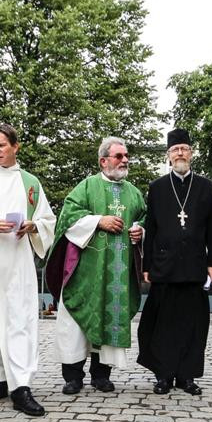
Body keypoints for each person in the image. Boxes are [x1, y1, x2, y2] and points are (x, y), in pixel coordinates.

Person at [0, 124, 57, 416]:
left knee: (18, 321)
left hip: (18, 259)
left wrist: (33, 226)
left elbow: (47, 219)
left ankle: (21, 386)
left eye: (2, 146)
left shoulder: (30, 182)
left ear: (16, 147)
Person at [45, 137, 146, 394]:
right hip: (85, 273)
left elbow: (145, 218)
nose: (125, 160)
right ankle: (73, 377)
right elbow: (67, 217)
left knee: (110, 318)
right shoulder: (86, 187)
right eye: (118, 156)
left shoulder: (134, 193)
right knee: (77, 323)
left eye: (126, 156)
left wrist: (140, 232)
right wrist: (97, 221)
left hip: (118, 276)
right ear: (103, 161)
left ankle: (101, 376)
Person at [137, 128, 212, 395]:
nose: (180, 153)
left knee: (192, 325)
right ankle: (164, 375)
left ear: (192, 153)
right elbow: (150, 228)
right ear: (168, 156)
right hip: (164, 267)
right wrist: (147, 266)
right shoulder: (157, 187)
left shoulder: (206, 187)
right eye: (175, 150)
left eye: (184, 149)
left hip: (195, 267)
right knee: (163, 325)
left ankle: (187, 376)